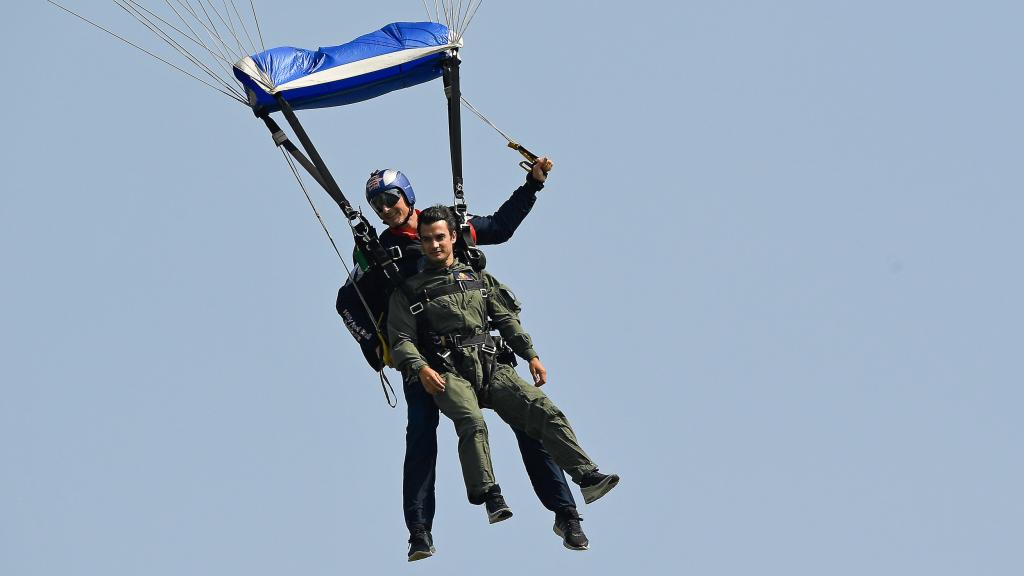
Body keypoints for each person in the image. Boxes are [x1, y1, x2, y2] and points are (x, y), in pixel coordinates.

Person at [357, 161, 590, 560]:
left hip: (478, 353)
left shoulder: (451, 228)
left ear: (407, 196)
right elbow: (351, 301)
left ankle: (566, 513)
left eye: (389, 198)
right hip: (428, 365)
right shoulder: (379, 251)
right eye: (376, 203)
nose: (384, 208)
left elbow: (501, 226)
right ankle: (419, 531)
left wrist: (531, 185)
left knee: (529, 423)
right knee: (421, 438)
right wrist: (377, 349)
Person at [387, 205, 620, 549]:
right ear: (419, 243)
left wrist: (531, 355)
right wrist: (421, 368)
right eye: (427, 240)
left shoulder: (477, 279)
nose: (435, 245)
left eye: (440, 238)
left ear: (453, 237)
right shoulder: (408, 291)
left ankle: (586, 475)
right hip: (450, 372)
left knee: (542, 410)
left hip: (491, 365)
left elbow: (506, 318)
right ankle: (490, 495)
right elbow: (401, 339)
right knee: (471, 422)